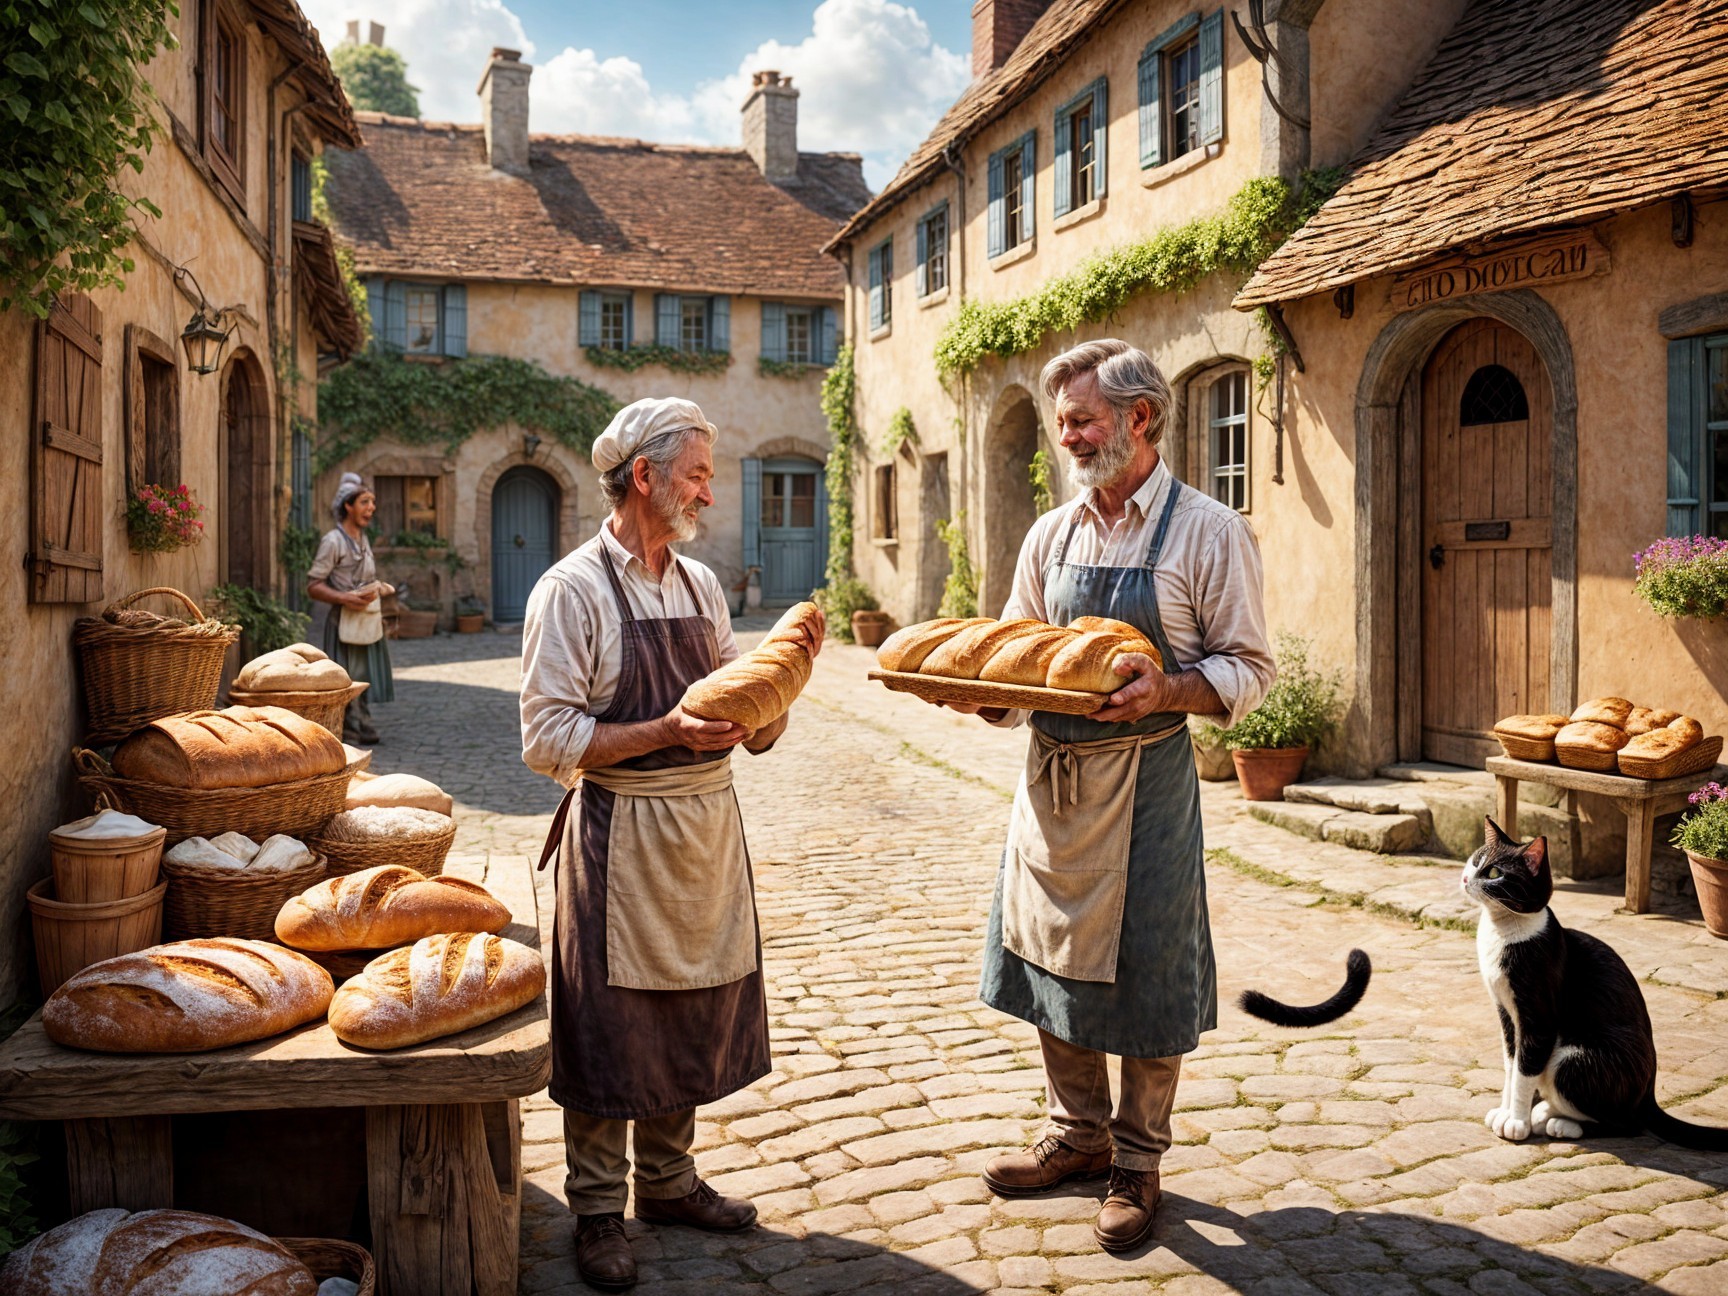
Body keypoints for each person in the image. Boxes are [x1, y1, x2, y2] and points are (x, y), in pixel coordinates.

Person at [935, 340, 1274, 1252]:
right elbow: (1017, 658)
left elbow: (1249, 669)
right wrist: (985, 698)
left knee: (1150, 966)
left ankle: (1138, 1157)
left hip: (1148, 778)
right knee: (1047, 956)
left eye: (1083, 420)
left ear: (1141, 418)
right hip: (1053, 781)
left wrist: (1168, 689)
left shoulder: (1210, 531)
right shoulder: (1053, 534)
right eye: (1062, 424)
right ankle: (1075, 1133)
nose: (1069, 437)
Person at [519, 397, 821, 1292]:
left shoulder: (699, 586)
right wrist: (663, 731)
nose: (710, 495)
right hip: (618, 829)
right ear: (643, 477)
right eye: (696, 476)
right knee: (611, 1023)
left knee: (687, 1001)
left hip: (703, 826)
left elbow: (736, 702)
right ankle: (598, 1208)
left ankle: (670, 1182)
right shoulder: (568, 590)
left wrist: (768, 715)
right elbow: (546, 741)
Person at [306, 472, 396, 745]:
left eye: (372, 502)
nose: (371, 508)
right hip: (344, 620)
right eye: (365, 502)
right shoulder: (333, 541)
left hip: (366, 620)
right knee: (346, 673)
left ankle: (363, 722)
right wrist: (345, 598)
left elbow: (365, 577)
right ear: (348, 505)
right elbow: (313, 585)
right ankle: (348, 726)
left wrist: (379, 588)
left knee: (366, 672)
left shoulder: (362, 539)